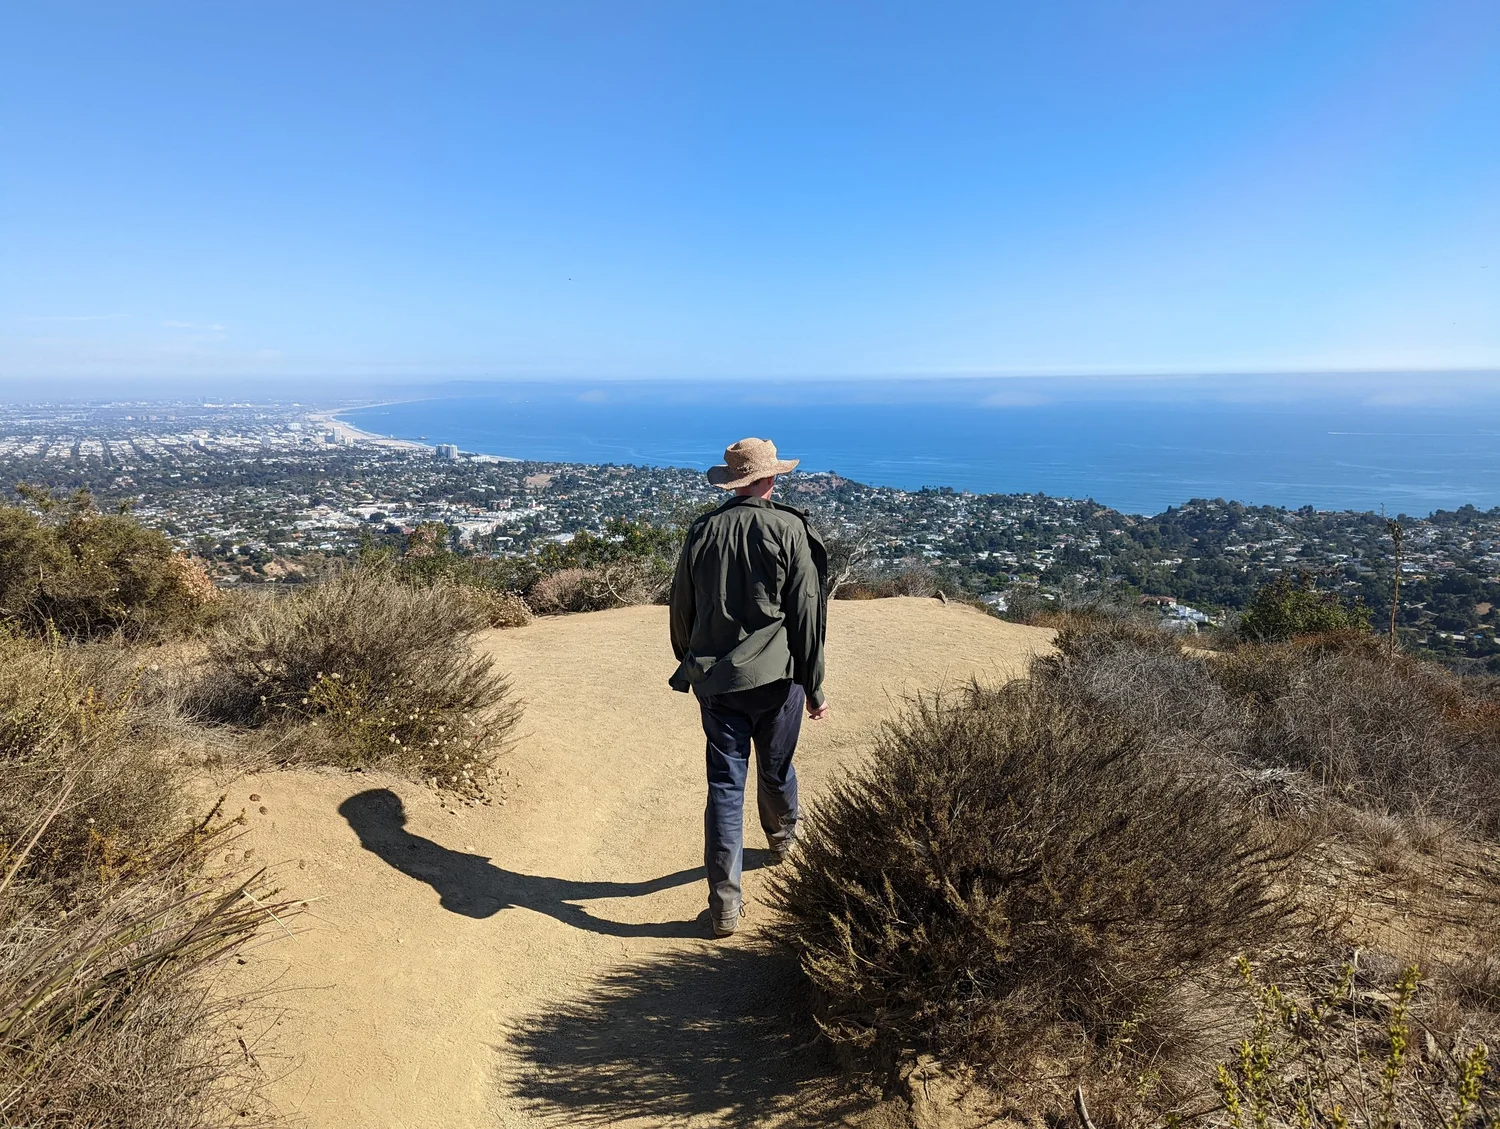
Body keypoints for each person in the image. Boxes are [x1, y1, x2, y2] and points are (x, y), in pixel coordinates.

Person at [669, 437, 830, 938]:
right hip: (779, 680)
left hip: (717, 683)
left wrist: (690, 659)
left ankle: (724, 907)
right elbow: (807, 614)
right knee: (777, 769)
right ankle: (781, 840)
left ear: (734, 481)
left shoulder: (703, 531)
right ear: (770, 479)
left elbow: (681, 605)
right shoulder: (789, 530)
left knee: (724, 788)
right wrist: (815, 685)